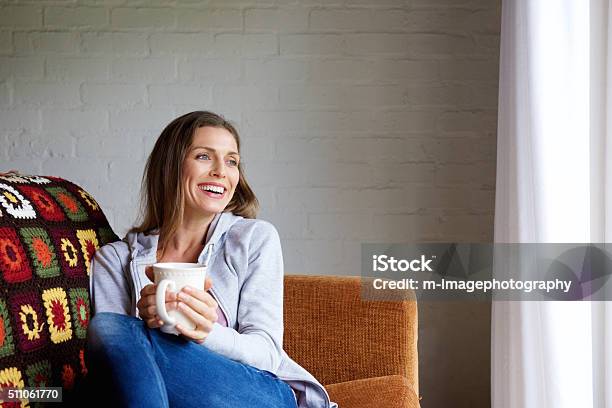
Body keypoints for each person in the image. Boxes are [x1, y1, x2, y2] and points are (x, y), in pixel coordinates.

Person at [86, 111, 336, 408]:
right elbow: (118, 364)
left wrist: (206, 332)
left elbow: (268, 353)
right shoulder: (115, 260)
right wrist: (148, 322)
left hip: (257, 393)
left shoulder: (254, 239)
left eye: (231, 161)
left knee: (117, 332)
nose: (222, 171)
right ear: (170, 168)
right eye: (204, 156)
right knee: (110, 329)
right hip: (175, 394)